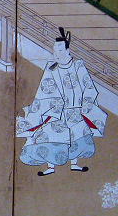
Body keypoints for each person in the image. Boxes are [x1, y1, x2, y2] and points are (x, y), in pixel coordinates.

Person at [16, 28, 108, 176]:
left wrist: (85, 105)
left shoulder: (78, 66)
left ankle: (74, 164)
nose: (56, 54)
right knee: (52, 136)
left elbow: (88, 86)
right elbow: (44, 91)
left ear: (67, 51)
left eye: (59, 50)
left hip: (76, 109)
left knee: (76, 136)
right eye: (54, 51)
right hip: (55, 111)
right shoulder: (51, 68)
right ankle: (50, 167)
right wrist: (51, 108)